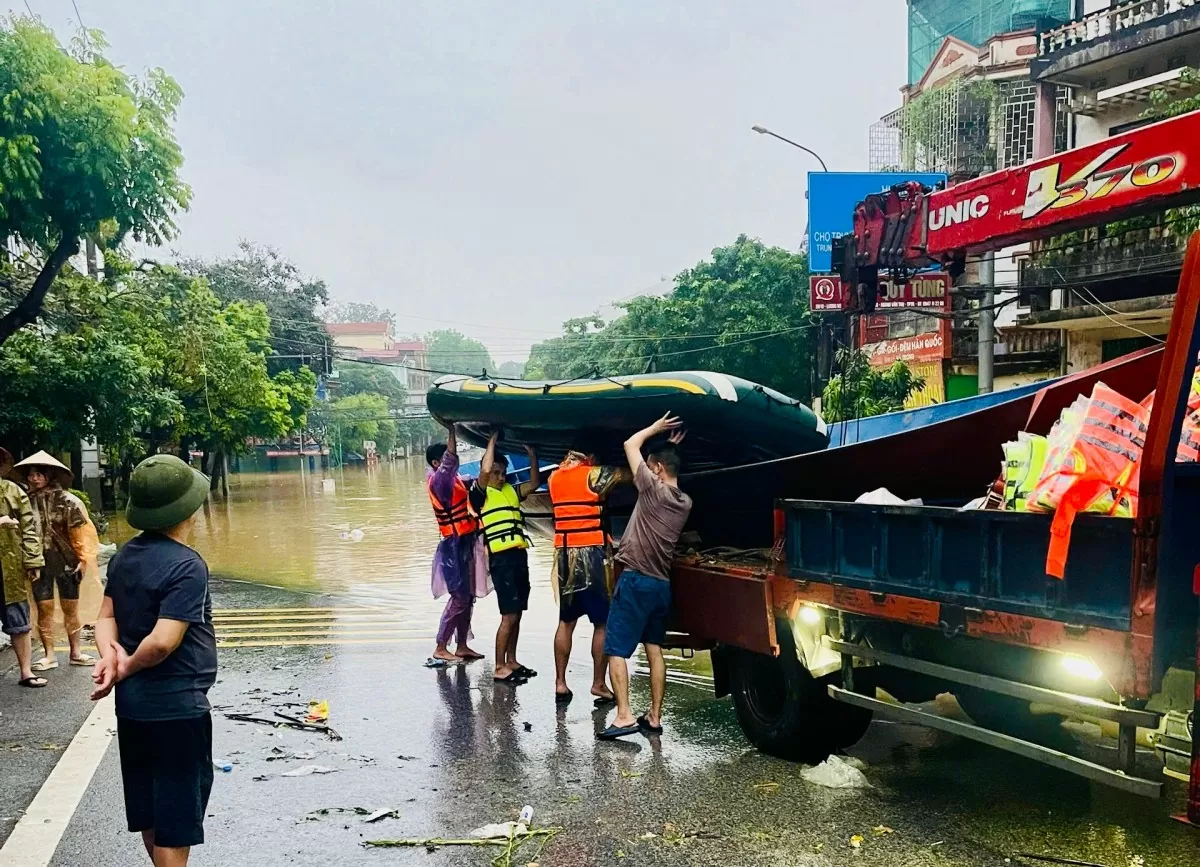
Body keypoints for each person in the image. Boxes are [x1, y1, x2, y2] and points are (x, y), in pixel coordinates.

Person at [89, 454, 215, 867]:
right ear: (189, 509)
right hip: (177, 710)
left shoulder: (125, 555)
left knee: (151, 807)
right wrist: (125, 665)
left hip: (134, 709)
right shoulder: (187, 565)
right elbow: (163, 642)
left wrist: (110, 656)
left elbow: (104, 616)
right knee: (177, 815)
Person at [598, 413, 691, 740]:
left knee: (616, 649)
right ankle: (653, 716)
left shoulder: (652, 491)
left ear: (657, 471)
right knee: (654, 649)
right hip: (660, 586)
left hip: (636, 581)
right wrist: (665, 449)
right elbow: (663, 466)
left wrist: (654, 429)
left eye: (651, 467)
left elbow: (629, 444)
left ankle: (624, 717)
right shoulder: (684, 502)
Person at [547, 438, 631, 704]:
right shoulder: (594, 474)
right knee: (602, 622)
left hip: (564, 554)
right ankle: (598, 684)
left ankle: (560, 683)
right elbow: (632, 474)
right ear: (590, 455)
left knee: (566, 621)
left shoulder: (553, 478)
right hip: (592, 554)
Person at [15, 450, 100, 672]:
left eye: (39, 474)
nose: (34, 479)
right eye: (32, 474)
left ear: (49, 476)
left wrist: (83, 560)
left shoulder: (68, 501)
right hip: (38, 562)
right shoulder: (25, 502)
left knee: (70, 608)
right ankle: (49, 654)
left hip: (66, 561)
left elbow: (81, 533)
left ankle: (76, 652)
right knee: (44, 608)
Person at [469, 431, 540, 684]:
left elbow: (533, 483)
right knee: (508, 615)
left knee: (518, 611)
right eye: (496, 473)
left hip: (518, 557)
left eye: (502, 473)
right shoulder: (481, 493)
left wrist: (532, 455)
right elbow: (486, 468)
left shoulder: (511, 490)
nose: (499, 476)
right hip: (502, 561)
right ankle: (499, 666)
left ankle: (512, 660)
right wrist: (492, 440)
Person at [426, 423, 489, 664]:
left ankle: (462, 645)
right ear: (436, 464)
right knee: (459, 597)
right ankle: (441, 646)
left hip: (465, 542)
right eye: (443, 460)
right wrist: (452, 431)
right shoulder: (439, 481)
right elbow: (451, 459)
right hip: (452, 546)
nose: (451, 462)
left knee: (468, 595)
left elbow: (477, 480)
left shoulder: (455, 481)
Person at [1, 447, 48, 688]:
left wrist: (32, 561)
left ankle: (26, 671)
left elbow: (30, 530)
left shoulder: (12, 492)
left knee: (19, 620)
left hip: (11, 567)